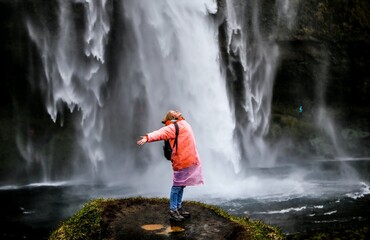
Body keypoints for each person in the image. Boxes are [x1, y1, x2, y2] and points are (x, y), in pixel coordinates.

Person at [137, 110, 204, 221]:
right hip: (180, 160)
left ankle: (178, 207)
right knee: (177, 185)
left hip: (188, 159)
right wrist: (148, 137)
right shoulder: (172, 127)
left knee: (182, 185)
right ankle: (173, 210)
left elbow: (183, 123)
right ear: (171, 117)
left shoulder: (183, 124)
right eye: (174, 112)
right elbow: (160, 133)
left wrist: (180, 117)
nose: (177, 112)